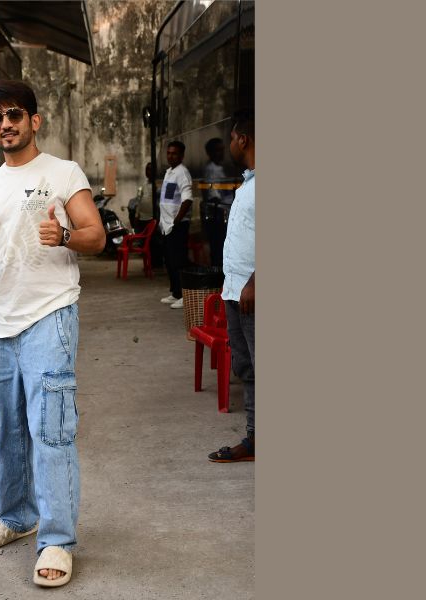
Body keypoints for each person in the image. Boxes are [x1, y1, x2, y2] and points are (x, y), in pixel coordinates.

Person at [0, 80, 104, 587]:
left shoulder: (63, 172)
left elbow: (96, 235)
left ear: (35, 121)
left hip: (49, 316)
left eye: (14, 114)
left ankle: (57, 540)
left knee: (51, 430)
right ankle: (16, 516)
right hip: (0, 323)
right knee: (9, 429)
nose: (5, 124)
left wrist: (67, 235)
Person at [208, 108, 255, 463]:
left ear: (244, 139)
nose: (231, 145)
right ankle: (255, 440)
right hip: (236, 291)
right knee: (247, 367)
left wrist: (255, 282)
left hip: (252, 292)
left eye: (233, 139)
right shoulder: (249, 183)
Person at [158, 141, 193, 309]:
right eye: (169, 153)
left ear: (182, 155)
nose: (171, 156)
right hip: (166, 226)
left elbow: (188, 199)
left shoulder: (182, 173)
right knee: (170, 261)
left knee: (179, 261)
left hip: (177, 225)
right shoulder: (169, 172)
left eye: (175, 153)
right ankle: (176, 293)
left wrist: (177, 220)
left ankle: (185, 296)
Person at [201, 138, 234, 267]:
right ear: (210, 153)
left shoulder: (220, 168)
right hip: (219, 216)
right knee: (218, 249)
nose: (221, 153)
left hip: (224, 213)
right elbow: (214, 196)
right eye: (217, 150)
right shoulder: (211, 169)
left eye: (222, 150)